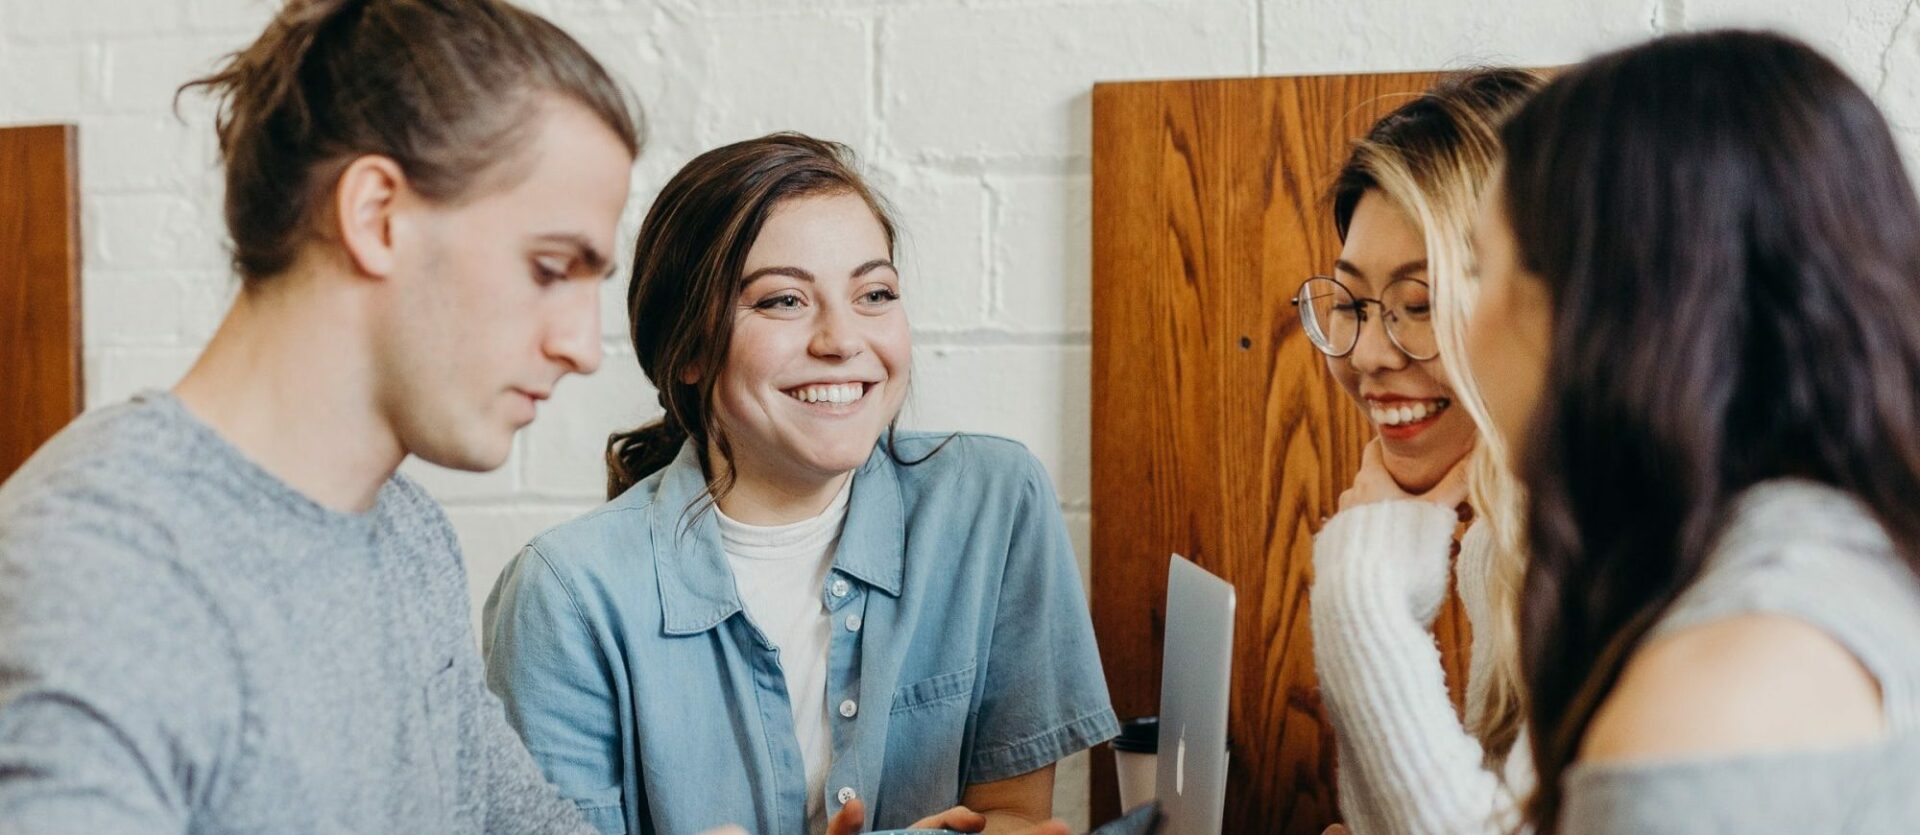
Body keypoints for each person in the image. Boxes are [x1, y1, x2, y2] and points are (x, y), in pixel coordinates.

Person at [0, 1, 640, 832]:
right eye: (551, 268)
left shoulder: (409, 533)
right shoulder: (98, 570)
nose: (584, 346)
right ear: (376, 215)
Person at [482, 133, 1117, 835]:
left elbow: (1011, 818)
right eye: (784, 300)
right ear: (687, 348)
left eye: (874, 293)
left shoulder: (992, 504)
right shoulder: (566, 595)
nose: (842, 339)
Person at [1470, 29, 1920, 833]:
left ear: (1594, 310)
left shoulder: (1712, 696)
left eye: (1480, 266)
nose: (1461, 328)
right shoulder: (1856, 557)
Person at [1299, 68, 1541, 834]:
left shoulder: (1630, 553)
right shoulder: (1502, 546)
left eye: (1420, 304)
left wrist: (1360, 594)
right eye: (1351, 305)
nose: (1368, 352)